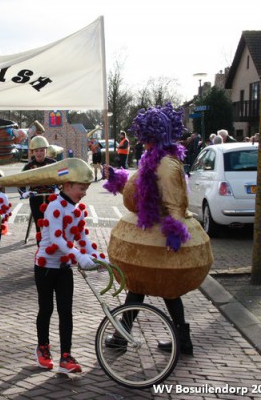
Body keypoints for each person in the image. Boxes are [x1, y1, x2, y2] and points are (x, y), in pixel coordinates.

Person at [103, 103, 213, 356]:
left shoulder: (165, 165)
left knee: (155, 287)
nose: (141, 142)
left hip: (160, 239)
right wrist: (115, 178)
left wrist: (175, 234)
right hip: (150, 236)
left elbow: (175, 202)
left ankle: (126, 336)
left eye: (144, 137)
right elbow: (138, 191)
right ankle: (180, 341)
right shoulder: (154, 159)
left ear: (153, 136)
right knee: (150, 288)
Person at [0, 158, 109, 373]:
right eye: (81, 188)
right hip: (45, 267)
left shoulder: (76, 210)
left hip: (64, 268)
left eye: (86, 188)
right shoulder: (54, 206)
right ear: (67, 185)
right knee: (47, 309)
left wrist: (96, 258)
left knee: (66, 311)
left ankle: (66, 356)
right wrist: (79, 256)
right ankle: (43, 347)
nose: (84, 192)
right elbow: (58, 240)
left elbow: (82, 238)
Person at [18, 136, 57, 245]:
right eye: (36, 151)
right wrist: (24, 193)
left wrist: (60, 190)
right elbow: (20, 181)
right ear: (32, 152)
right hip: (36, 198)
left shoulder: (53, 163)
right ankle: (41, 247)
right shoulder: (28, 166)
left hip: (51, 197)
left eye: (41, 150)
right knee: (39, 224)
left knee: (53, 223)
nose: (39, 153)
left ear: (46, 150)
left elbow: (62, 177)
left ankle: (54, 245)